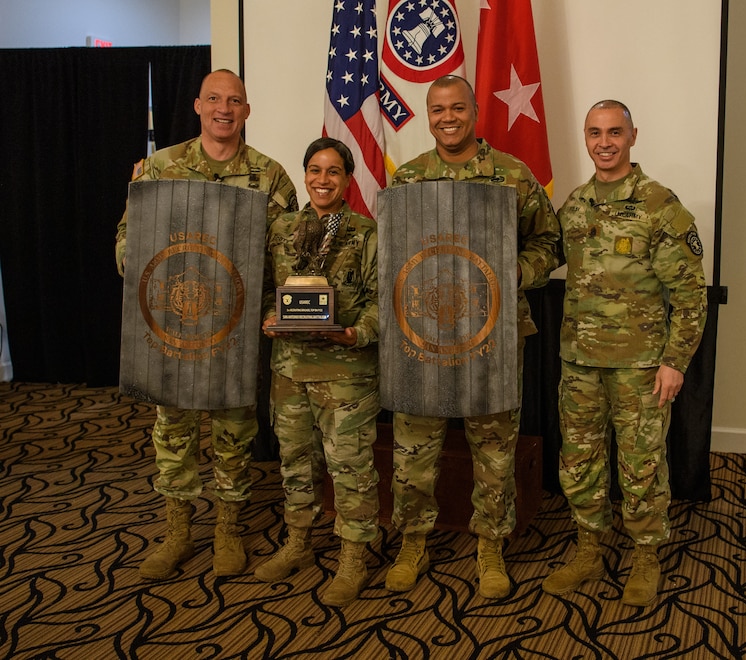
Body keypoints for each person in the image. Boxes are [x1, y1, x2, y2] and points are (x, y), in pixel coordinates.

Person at [115, 69, 298, 580]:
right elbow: (128, 238)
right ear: (197, 105)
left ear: (247, 110)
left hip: (236, 331)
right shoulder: (160, 167)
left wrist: (276, 308)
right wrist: (137, 277)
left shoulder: (271, 176)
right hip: (171, 329)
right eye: (214, 99)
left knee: (233, 432)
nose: (224, 108)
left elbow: (287, 255)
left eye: (234, 100)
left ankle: (228, 529)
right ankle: (177, 530)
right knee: (172, 429)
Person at [385, 75, 561, 599]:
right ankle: (413, 540)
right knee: (413, 448)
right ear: (428, 113)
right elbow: (394, 255)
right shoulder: (408, 180)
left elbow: (549, 244)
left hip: (493, 337)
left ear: (475, 111)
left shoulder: (512, 175)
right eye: (437, 109)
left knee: (493, 450)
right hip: (422, 335)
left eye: (457, 108)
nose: (447, 118)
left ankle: (490, 544)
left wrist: (514, 273)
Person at [541, 100, 708, 607]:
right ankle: (589, 546)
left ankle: (645, 554)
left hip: (641, 366)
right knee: (580, 461)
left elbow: (690, 293)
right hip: (580, 364)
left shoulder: (660, 205)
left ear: (634, 136)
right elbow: (542, 258)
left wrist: (675, 361)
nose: (604, 142)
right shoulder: (574, 205)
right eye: (595, 132)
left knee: (640, 465)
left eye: (615, 132)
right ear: (585, 137)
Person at [254, 137, 380, 608]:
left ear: (347, 179)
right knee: (296, 463)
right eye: (313, 170)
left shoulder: (366, 233)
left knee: (350, 468)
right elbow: (268, 287)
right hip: (289, 368)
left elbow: (379, 300)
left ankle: (353, 558)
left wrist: (355, 333)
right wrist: (269, 317)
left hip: (346, 372)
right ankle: (298, 543)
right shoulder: (281, 228)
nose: (321, 179)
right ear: (304, 174)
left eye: (332, 171)